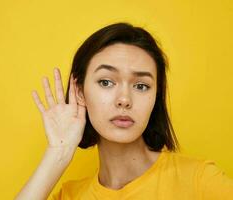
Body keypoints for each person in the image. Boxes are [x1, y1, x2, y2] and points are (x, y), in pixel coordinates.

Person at [15, 22, 233, 200]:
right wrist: (58, 153)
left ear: (155, 96)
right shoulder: (70, 196)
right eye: (106, 82)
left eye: (141, 86)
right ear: (80, 92)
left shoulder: (198, 181)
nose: (124, 100)